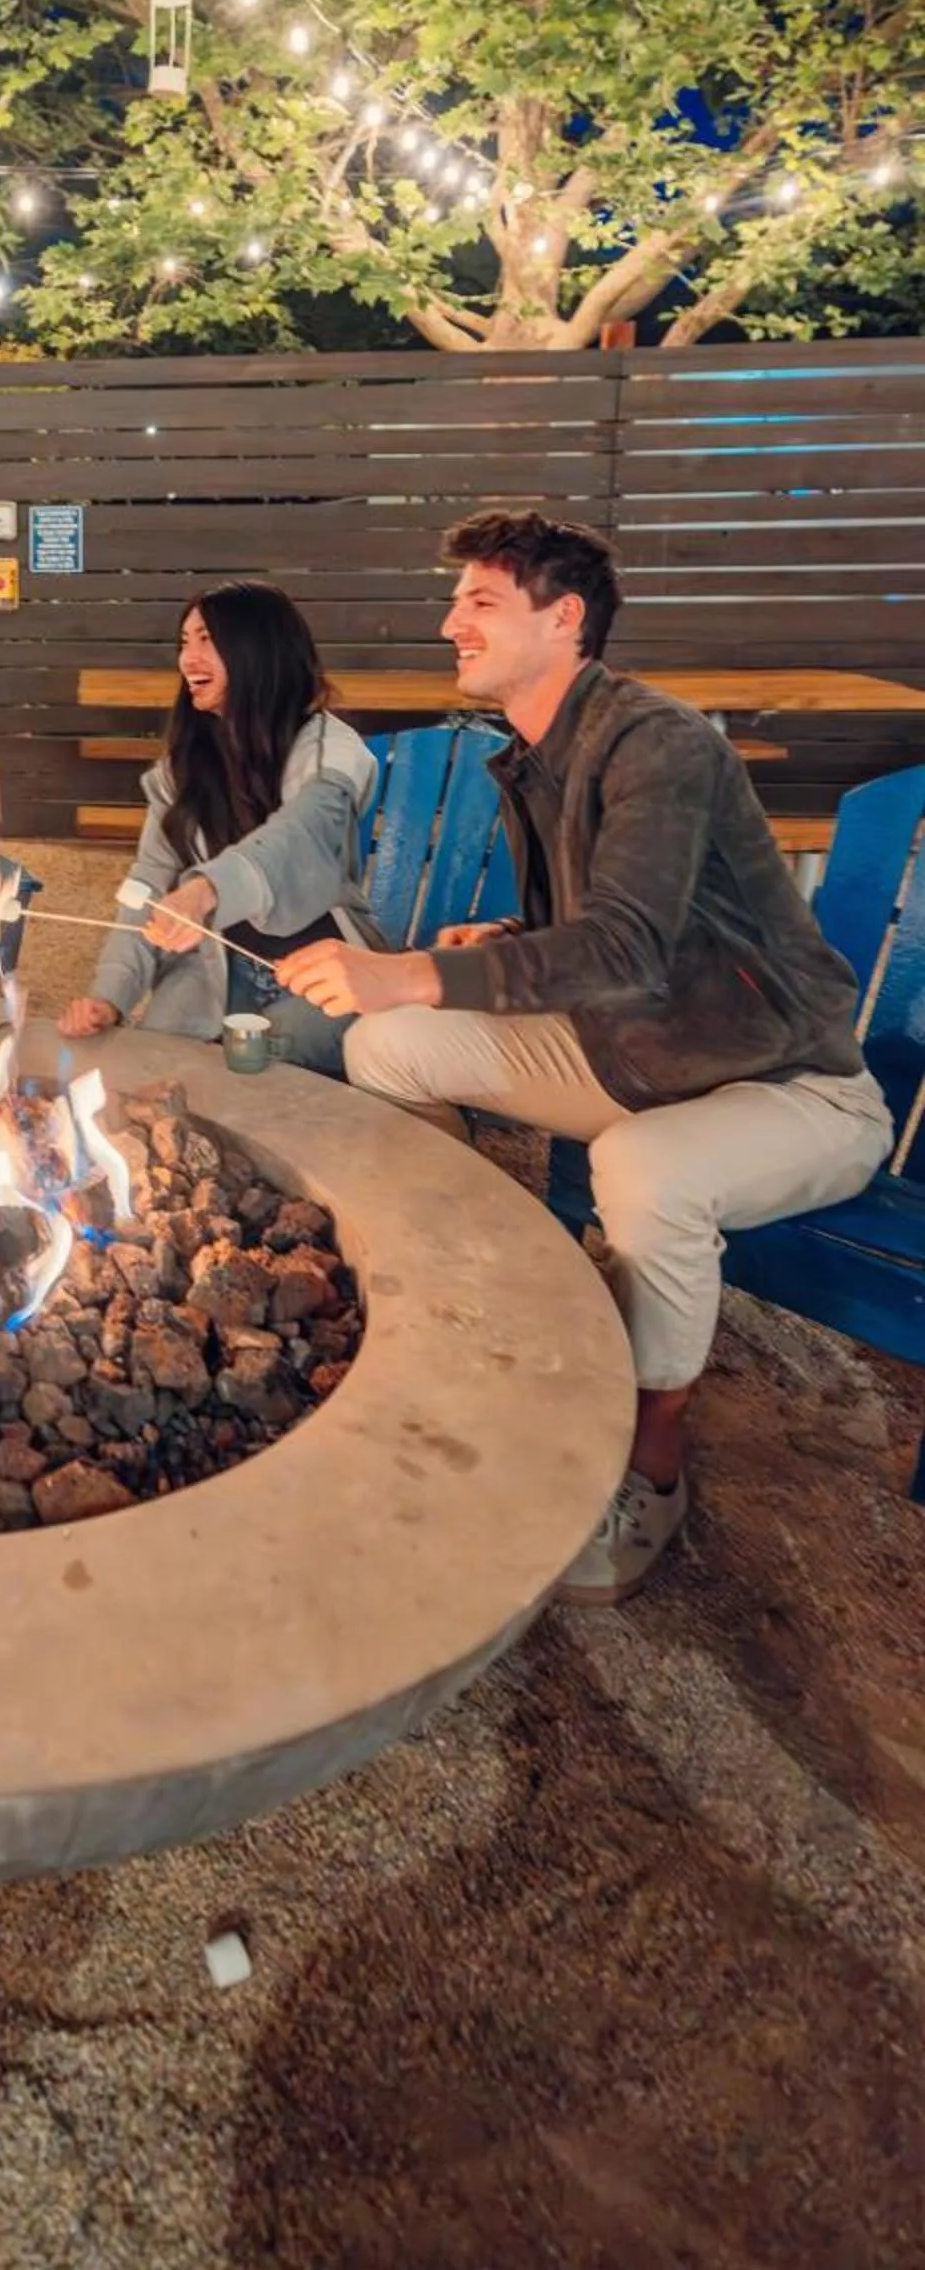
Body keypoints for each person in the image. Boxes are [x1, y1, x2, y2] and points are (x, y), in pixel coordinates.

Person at [276, 509, 892, 1602]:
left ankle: (648, 1470)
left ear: (561, 620)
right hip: (634, 1056)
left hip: (783, 1085)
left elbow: (624, 945)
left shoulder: (657, 744)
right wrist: (502, 942)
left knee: (645, 1173)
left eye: (478, 602)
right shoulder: (534, 757)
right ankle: (476, 1313)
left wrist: (413, 967)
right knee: (388, 1049)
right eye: (455, 600)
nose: (446, 622)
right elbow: (605, 930)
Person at [58, 580, 381, 1073]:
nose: (189, 659)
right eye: (184, 643)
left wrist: (208, 890)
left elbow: (302, 832)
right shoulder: (181, 769)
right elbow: (146, 885)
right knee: (153, 1064)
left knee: (256, 1066)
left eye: (207, 640)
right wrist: (111, 996)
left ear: (258, 649)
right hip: (215, 972)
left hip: (329, 973)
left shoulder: (331, 750)